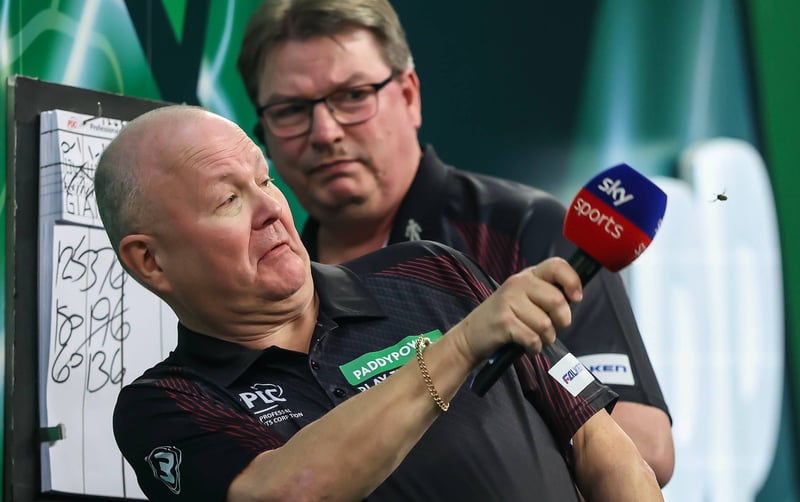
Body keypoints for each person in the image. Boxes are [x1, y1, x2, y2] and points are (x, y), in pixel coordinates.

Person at [97, 105, 661, 501]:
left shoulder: (430, 270)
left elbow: (600, 445)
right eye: (227, 198)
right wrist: (461, 346)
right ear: (151, 261)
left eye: (265, 181)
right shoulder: (166, 404)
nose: (271, 209)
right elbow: (287, 493)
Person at [236, 0, 674, 486]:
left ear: (409, 96)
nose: (325, 132)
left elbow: (648, 449)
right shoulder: (273, 283)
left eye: (354, 95)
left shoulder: (520, 228)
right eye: (292, 110)